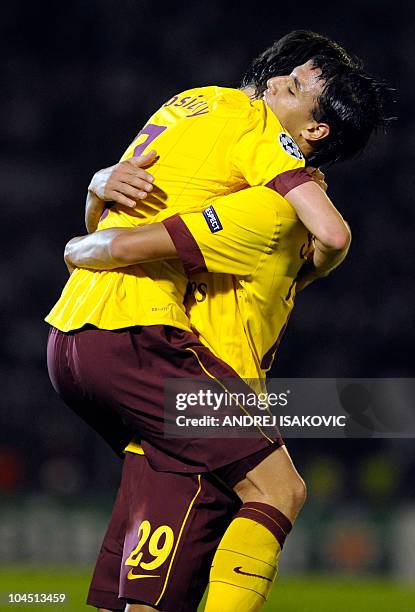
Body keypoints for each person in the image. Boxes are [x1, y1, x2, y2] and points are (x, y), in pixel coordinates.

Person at [46, 31, 390, 611]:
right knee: (281, 489)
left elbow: (136, 209)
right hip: (182, 378)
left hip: (147, 365)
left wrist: (92, 214)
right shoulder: (261, 191)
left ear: (313, 132)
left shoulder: (225, 139)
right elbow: (327, 240)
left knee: (140, 602)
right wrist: (93, 209)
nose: (277, 82)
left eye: (298, 84)